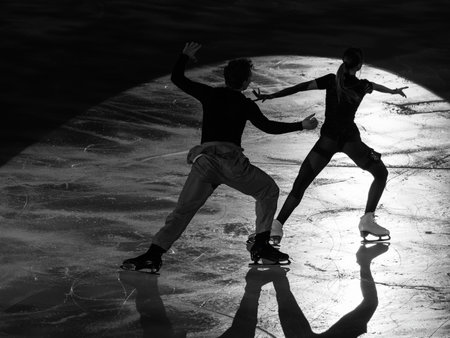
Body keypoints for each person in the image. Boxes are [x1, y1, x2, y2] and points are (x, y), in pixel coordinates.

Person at [121, 42, 318, 273]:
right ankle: (261, 247)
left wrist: (184, 56)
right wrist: (301, 125)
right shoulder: (245, 104)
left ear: (226, 78)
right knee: (268, 191)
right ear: (245, 83)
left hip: (204, 163)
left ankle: (153, 255)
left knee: (182, 211)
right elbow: (268, 127)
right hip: (232, 166)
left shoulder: (210, 93)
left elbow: (177, 78)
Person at [253, 48, 407, 243]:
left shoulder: (330, 80)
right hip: (351, 142)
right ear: (359, 66)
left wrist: (272, 95)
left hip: (328, 141)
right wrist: (394, 91)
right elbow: (375, 86)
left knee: (300, 185)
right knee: (381, 174)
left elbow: (301, 87)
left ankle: (277, 226)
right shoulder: (362, 86)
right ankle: (367, 219)